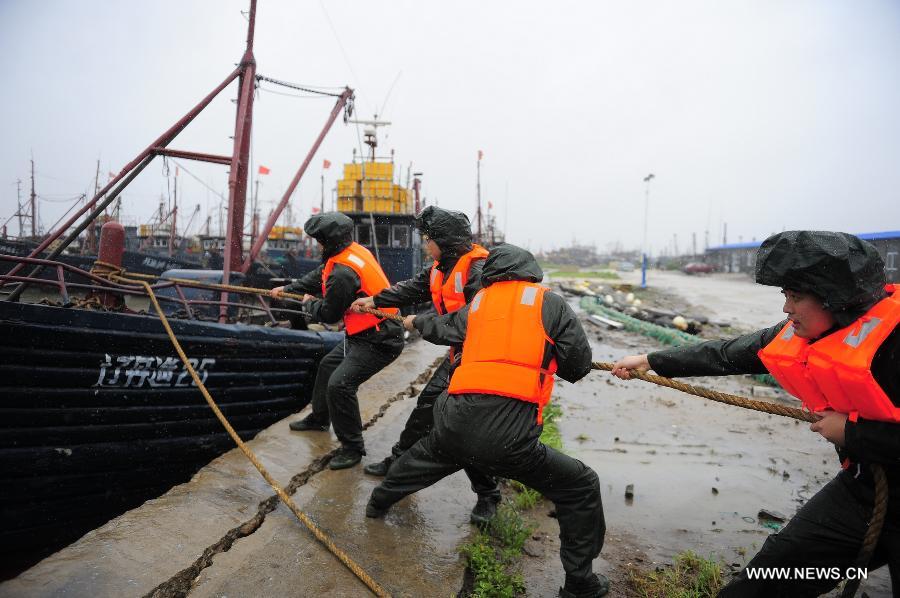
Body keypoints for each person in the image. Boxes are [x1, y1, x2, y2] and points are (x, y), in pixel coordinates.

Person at [612, 231, 900, 596]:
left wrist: (854, 433)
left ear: (837, 299)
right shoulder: (801, 334)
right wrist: (650, 360)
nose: (786, 309)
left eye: (795, 297)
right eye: (785, 295)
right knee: (760, 586)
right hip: (863, 495)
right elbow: (728, 353)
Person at [366, 243, 609, 598]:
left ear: (491, 273)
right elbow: (577, 366)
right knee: (581, 486)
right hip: (509, 441)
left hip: (452, 422)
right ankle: (580, 584)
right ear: (530, 270)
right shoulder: (549, 302)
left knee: (426, 455)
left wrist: (414, 321)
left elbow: (442, 329)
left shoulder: (478, 303)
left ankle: (377, 503)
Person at [350, 206, 502, 524]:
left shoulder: (478, 270)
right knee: (425, 410)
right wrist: (376, 300)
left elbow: (471, 321)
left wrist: (419, 322)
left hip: (481, 361)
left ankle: (488, 495)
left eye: (428, 238)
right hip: (457, 358)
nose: (424, 244)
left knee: (462, 428)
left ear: (444, 241)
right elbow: (412, 287)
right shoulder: (440, 267)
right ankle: (398, 460)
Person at [271, 212, 404, 470]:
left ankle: (352, 447)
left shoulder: (343, 272)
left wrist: (309, 305)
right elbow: (321, 275)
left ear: (328, 241)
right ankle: (320, 419)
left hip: (380, 338)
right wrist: (290, 289)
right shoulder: (350, 252)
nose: (317, 245)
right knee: (327, 368)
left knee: (340, 386)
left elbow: (330, 314)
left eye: (319, 240)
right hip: (364, 333)